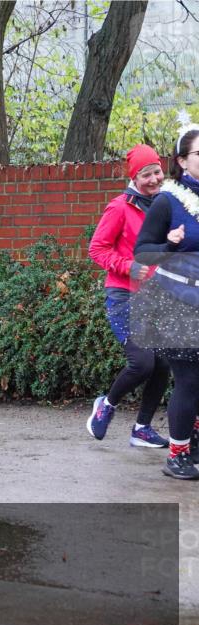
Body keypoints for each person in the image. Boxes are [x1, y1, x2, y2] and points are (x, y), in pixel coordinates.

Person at [86, 144, 170, 448]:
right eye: (145, 174)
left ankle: (141, 429)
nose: (153, 179)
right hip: (123, 295)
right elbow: (97, 249)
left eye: (156, 171)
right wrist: (127, 266)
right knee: (143, 363)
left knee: (163, 364)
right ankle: (106, 405)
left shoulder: (166, 204)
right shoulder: (120, 207)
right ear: (134, 177)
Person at [133, 124, 199, 480]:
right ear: (182, 161)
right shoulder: (167, 202)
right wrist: (171, 244)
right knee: (188, 380)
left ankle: (195, 441)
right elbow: (142, 253)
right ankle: (177, 455)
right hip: (175, 304)